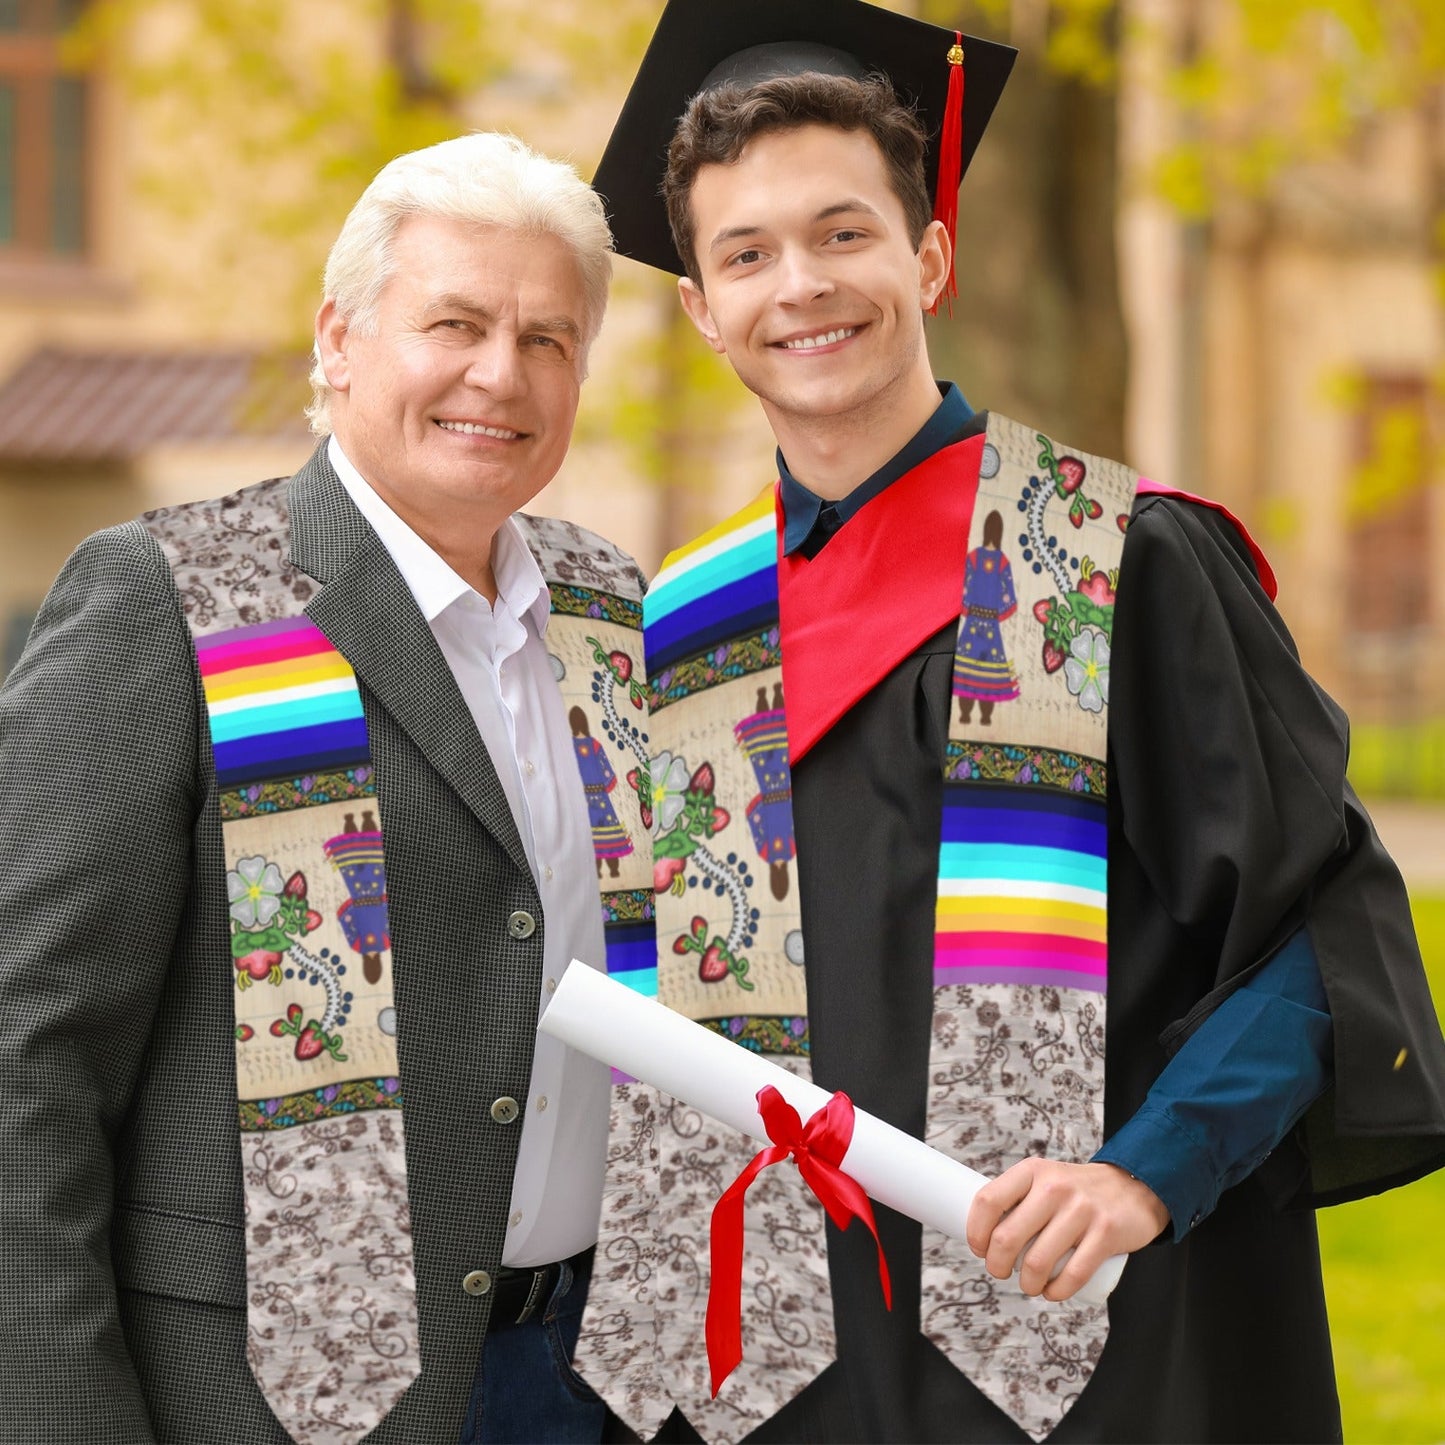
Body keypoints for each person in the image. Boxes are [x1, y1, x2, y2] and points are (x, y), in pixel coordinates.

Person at [570, 2, 1445, 1441]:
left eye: (842, 233)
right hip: (782, 1378)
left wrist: (1143, 1172)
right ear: (701, 307)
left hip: (1089, 1342)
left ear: (928, 253)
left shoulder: (1118, 561)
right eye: (746, 254)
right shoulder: (687, 629)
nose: (800, 285)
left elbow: (1317, 932)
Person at [0, 132, 654, 1445]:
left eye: (546, 338)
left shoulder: (615, 611)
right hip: (273, 1398)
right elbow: (28, 1059)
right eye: (454, 322)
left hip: (591, 1384)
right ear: (339, 339)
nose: (499, 373)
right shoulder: (180, 599)